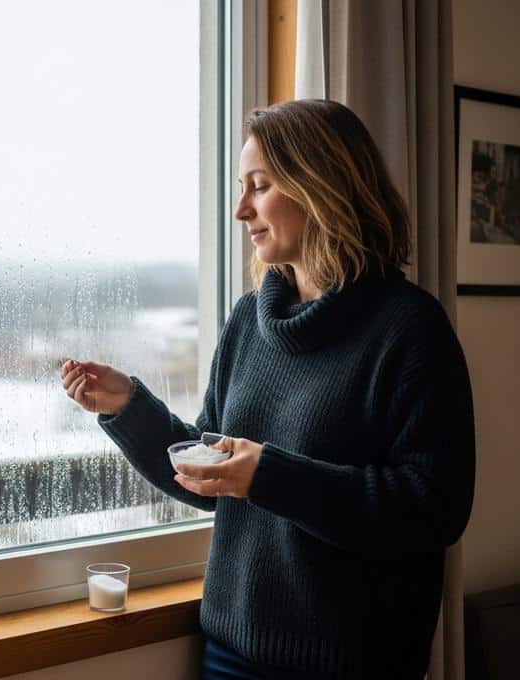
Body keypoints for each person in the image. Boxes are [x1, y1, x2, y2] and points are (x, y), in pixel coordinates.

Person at [60, 99, 475, 679]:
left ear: (322, 186)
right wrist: (129, 408)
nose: (241, 210)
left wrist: (268, 475)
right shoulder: (247, 321)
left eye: (259, 186)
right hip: (231, 654)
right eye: (241, 188)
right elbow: (213, 477)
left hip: (355, 665)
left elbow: (433, 510)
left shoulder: (410, 329)